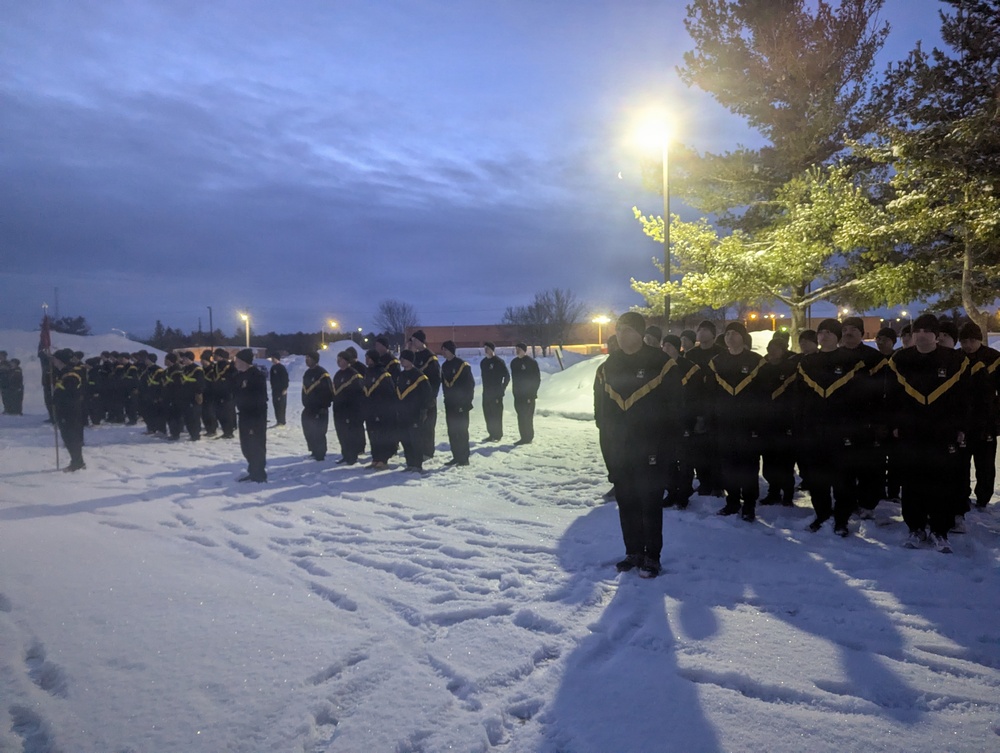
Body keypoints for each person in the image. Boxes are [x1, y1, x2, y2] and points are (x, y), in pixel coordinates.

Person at [596, 312, 682, 578]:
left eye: (628, 330)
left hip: (652, 448)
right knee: (627, 502)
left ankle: (652, 555)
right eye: (619, 330)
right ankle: (632, 551)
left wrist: (670, 451)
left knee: (649, 503)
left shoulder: (661, 363)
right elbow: (602, 417)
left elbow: (676, 410)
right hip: (620, 450)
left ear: (640, 333)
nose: (621, 335)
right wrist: (609, 455)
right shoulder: (607, 368)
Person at [886, 314, 970, 552]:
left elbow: (964, 398)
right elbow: (892, 397)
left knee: (942, 483)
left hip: (942, 431)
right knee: (912, 483)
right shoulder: (900, 359)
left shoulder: (955, 360)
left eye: (927, 330)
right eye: (917, 330)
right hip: (911, 432)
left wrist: (962, 427)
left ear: (936, 335)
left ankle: (940, 530)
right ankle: (916, 527)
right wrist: (893, 424)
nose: (921, 334)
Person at [796, 319, 868, 536]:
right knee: (818, 477)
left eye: (829, 332)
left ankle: (841, 519)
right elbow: (799, 399)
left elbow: (861, 399)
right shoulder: (807, 363)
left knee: (843, 478)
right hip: (815, 430)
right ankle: (822, 514)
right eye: (821, 332)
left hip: (843, 429)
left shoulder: (852, 362)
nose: (824, 336)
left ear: (837, 336)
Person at [709, 322, 765, 522]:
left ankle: (749, 504)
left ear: (743, 337)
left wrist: (759, 424)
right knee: (728, 465)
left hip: (749, 425)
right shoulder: (717, 362)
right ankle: (732, 501)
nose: (729, 337)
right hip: (724, 423)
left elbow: (763, 396)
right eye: (727, 333)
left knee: (749, 466)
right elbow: (711, 394)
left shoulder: (756, 362)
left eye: (734, 333)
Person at [958, 321, 998, 511]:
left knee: (985, 464)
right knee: (961, 464)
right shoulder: (955, 358)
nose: (968, 345)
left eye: (972, 340)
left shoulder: (993, 358)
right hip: (963, 421)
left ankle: (983, 498)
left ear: (979, 340)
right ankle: (962, 496)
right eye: (964, 341)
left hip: (987, 421)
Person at [684, 320, 725, 497]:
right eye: (699, 329)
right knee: (698, 448)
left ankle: (718, 483)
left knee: (715, 447)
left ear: (713, 334)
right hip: (695, 405)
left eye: (705, 330)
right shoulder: (691, 354)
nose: (701, 333)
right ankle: (704, 481)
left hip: (716, 405)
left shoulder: (721, 354)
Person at [757, 332, 799, 507]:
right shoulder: (762, 369)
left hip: (785, 422)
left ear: (784, 350)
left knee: (785, 462)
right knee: (769, 462)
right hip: (766, 422)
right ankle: (773, 491)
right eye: (770, 349)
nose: (773, 352)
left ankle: (788, 493)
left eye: (777, 349)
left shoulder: (791, 369)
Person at [661, 334, 700, 508]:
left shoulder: (690, 368)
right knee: (668, 459)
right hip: (666, 421)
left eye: (669, 346)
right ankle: (671, 492)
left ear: (678, 348)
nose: (666, 349)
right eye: (664, 346)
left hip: (686, 420)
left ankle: (684, 493)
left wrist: (697, 418)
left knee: (685, 460)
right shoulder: (660, 368)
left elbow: (698, 397)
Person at [233, 348, 268, 482]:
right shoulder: (240, 375)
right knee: (246, 446)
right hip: (243, 415)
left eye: (237, 360)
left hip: (255, 417)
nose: (235, 363)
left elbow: (260, 400)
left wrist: (255, 421)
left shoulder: (256, 376)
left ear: (244, 362)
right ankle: (252, 469)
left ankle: (259, 474)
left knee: (256, 445)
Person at [396, 350, 433, 472]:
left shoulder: (419, 376)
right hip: (402, 414)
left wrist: (424, 411)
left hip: (415, 414)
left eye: (404, 359)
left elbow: (428, 395)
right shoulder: (401, 376)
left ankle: (417, 464)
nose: (401, 361)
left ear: (410, 360)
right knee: (405, 439)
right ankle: (409, 463)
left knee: (415, 440)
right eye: (401, 358)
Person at [51, 349, 86, 471]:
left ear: (61, 360)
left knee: (71, 437)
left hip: (69, 410)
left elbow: (72, 395)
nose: (53, 361)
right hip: (64, 409)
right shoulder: (62, 373)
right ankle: (76, 461)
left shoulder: (70, 375)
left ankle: (77, 462)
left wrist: (59, 396)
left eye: (55, 359)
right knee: (67, 437)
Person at [440, 340, 474, 465]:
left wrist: (465, 403)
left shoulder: (462, 365)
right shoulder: (444, 366)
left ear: (450, 350)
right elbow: (444, 385)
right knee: (452, 431)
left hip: (461, 405)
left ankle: (464, 458)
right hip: (450, 404)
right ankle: (456, 455)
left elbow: (469, 386)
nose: (442, 352)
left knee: (462, 431)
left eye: (444, 349)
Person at [594, 334, 619, 500]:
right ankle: (616, 482)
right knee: (608, 452)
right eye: (610, 344)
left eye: (615, 344)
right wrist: (598, 415)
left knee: (623, 454)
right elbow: (597, 393)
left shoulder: (628, 367)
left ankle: (624, 484)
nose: (612, 347)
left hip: (623, 420)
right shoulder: (602, 368)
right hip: (606, 420)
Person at [363, 348, 397, 469]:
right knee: (372, 435)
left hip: (381, 411)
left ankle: (383, 459)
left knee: (381, 435)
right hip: (370, 410)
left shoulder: (383, 374)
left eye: (368, 357)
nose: (366, 360)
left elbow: (389, 394)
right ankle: (375, 458)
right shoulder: (367, 372)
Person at [408, 330, 440, 460]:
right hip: (415, 399)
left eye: (414, 340)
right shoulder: (414, 356)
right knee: (417, 427)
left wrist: (431, 398)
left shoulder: (430, 357)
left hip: (427, 398)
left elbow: (436, 380)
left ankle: (428, 451)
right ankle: (418, 450)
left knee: (427, 426)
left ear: (420, 341)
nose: (413, 342)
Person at [332, 350, 366, 465]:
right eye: (337, 359)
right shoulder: (338, 374)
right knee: (341, 433)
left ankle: (352, 455)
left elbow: (358, 394)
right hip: (339, 410)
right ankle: (345, 454)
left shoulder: (354, 375)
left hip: (350, 410)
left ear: (347, 361)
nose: (338, 361)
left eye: (340, 359)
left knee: (350, 433)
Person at [301, 351, 333, 461]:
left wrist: (323, 406)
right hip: (308, 408)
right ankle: (314, 450)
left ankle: (320, 453)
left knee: (318, 432)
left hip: (319, 408)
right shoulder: (307, 373)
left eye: (308, 358)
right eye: (306, 358)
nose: (306, 360)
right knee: (309, 430)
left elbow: (328, 392)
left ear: (315, 359)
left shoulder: (323, 374)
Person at [510, 342, 540, 446]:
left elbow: (536, 379)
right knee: (521, 416)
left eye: (519, 348)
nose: (517, 350)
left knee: (527, 417)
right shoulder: (514, 362)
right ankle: (523, 436)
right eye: (516, 348)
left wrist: (531, 395)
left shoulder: (531, 362)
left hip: (528, 396)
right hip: (518, 396)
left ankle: (528, 437)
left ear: (524, 350)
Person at [480, 341, 510, 441]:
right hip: (486, 393)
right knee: (487, 414)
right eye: (484, 348)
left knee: (496, 414)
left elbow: (507, 376)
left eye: (487, 348)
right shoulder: (483, 362)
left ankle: (497, 434)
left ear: (492, 350)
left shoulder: (498, 362)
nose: (485, 350)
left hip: (496, 393)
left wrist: (502, 388)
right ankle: (491, 433)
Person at [213, 348, 238, 439]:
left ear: (220, 356)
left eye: (216, 355)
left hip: (227, 394)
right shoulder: (216, 366)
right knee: (219, 414)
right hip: (218, 393)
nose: (214, 356)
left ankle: (229, 432)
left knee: (227, 413)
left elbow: (234, 379)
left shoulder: (229, 367)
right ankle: (225, 431)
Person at [199, 350, 218, 436]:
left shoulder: (213, 369)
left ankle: (212, 429)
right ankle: (208, 429)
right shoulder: (202, 370)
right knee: (204, 413)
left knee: (210, 412)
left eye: (203, 360)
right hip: (204, 393)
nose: (201, 362)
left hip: (212, 393)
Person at [268, 351, 289, 427]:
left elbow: (285, 378)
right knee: (276, 404)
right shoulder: (273, 368)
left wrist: (285, 388)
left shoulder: (281, 368)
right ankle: (278, 420)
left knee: (281, 405)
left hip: (281, 390)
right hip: (275, 390)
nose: (272, 360)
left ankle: (282, 421)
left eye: (273, 358)